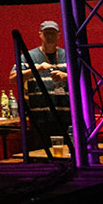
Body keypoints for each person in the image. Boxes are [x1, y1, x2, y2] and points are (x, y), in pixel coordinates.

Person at [19, 18, 71, 147]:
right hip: (40, 117)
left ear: (59, 35)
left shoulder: (68, 55)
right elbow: (13, 78)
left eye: (52, 33)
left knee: (67, 152)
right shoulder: (28, 56)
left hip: (65, 116)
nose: (49, 36)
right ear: (40, 34)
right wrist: (37, 69)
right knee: (41, 153)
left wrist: (66, 76)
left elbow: (83, 79)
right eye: (46, 33)